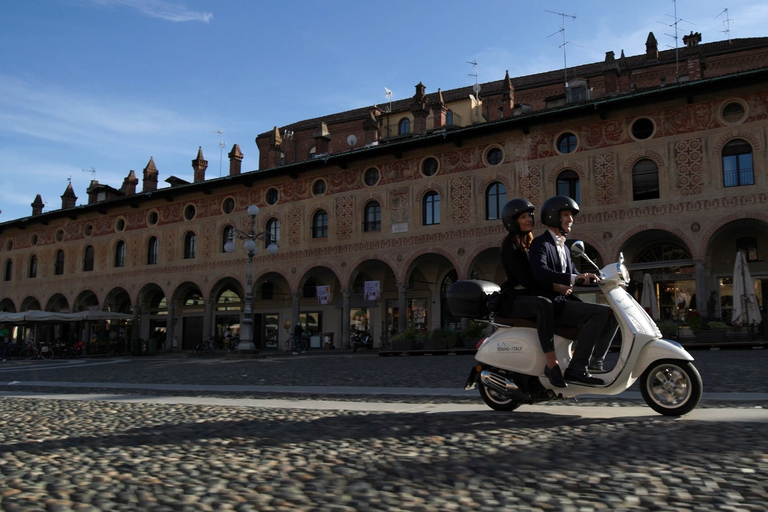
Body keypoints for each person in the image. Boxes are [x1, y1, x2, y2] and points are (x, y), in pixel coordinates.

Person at [528, 195, 617, 385]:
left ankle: (595, 362)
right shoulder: (540, 244)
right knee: (598, 314)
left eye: (571, 216)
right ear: (553, 217)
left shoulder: (565, 248)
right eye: (566, 214)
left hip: (565, 301)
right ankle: (577, 369)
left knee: (612, 314)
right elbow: (540, 272)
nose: (571, 220)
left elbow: (574, 274)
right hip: (551, 304)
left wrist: (597, 279)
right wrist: (571, 278)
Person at [497, 199, 567, 388]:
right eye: (523, 217)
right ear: (512, 221)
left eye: (530, 215)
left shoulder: (532, 242)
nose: (529, 219)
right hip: (515, 298)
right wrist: (555, 287)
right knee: (544, 304)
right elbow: (525, 280)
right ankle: (551, 364)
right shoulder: (509, 245)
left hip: (530, 294)